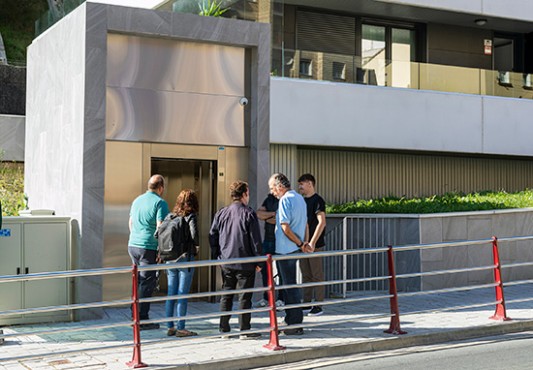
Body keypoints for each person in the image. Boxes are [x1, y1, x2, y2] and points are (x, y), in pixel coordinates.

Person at [209, 181, 263, 339]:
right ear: (245, 193)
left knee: (227, 294)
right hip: (245, 261)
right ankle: (244, 329)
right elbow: (256, 241)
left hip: (226, 260)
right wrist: (259, 262)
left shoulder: (221, 213)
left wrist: (217, 255)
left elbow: (212, 235)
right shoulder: (249, 213)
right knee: (245, 297)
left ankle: (224, 329)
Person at [268, 173, 311, 335]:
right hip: (294, 248)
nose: (272, 192)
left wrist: (301, 243)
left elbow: (285, 227)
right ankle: (292, 319)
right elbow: (306, 224)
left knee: (288, 286)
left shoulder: (285, 200)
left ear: (280, 187)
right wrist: (304, 243)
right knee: (290, 285)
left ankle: (294, 322)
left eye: (272, 189)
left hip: (285, 249)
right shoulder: (300, 198)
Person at [128, 174, 169, 330]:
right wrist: (161, 249)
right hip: (148, 247)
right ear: (161, 188)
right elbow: (161, 227)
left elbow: (131, 222)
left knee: (138, 280)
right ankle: (142, 319)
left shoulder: (137, 200)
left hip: (133, 245)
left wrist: (135, 237)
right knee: (147, 283)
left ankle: (134, 314)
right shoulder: (160, 203)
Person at [163, 189, 199, 337]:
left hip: (170, 258)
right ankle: (181, 328)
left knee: (171, 292)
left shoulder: (170, 216)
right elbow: (194, 235)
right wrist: (196, 247)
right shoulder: (190, 216)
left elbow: (157, 233)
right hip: (185, 257)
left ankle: (170, 326)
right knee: (182, 293)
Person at [298, 173, 327, 316]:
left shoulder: (318, 200)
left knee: (316, 274)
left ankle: (318, 304)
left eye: (302, 184)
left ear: (310, 183)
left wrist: (313, 242)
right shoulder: (302, 201)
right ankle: (307, 302)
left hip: (315, 244)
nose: (300, 187)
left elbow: (322, 222)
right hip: (303, 244)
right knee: (306, 274)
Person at [255, 193, 285, 309]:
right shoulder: (270, 199)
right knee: (264, 269)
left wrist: (270, 217)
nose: (272, 189)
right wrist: (274, 214)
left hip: (281, 241)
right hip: (268, 240)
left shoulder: (285, 199)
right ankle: (267, 298)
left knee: (282, 270)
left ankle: (282, 299)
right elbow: (259, 214)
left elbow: (281, 220)